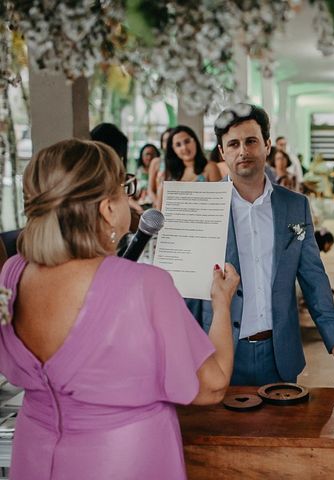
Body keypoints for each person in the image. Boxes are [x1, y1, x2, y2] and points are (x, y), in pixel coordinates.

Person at [0, 139, 239, 479]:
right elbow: (211, 385)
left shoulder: (12, 273)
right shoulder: (143, 284)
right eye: (125, 189)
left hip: (35, 454)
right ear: (107, 208)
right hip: (119, 460)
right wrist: (222, 304)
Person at [186, 103, 334, 386]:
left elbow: (313, 277)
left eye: (251, 141)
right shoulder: (201, 206)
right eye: (234, 144)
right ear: (221, 152)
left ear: (266, 145)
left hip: (279, 354)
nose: (243, 151)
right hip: (219, 351)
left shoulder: (295, 206)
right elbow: (187, 289)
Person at [149, 127, 173, 209]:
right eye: (165, 141)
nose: (168, 143)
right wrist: (158, 203)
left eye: (170, 140)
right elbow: (150, 190)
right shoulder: (156, 162)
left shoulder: (183, 163)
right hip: (158, 206)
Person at [135, 143, 161, 207]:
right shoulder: (137, 173)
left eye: (152, 154)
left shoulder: (161, 174)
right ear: (142, 156)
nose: (149, 157)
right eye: (147, 154)